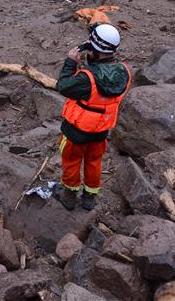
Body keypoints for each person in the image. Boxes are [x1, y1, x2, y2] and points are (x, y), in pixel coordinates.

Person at [54, 24, 132, 211]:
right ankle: (90, 197)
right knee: (94, 162)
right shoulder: (124, 72)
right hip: (101, 130)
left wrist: (71, 63)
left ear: (94, 52)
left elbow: (63, 86)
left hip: (77, 131)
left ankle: (70, 195)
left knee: (72, 161)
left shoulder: (86, 78)